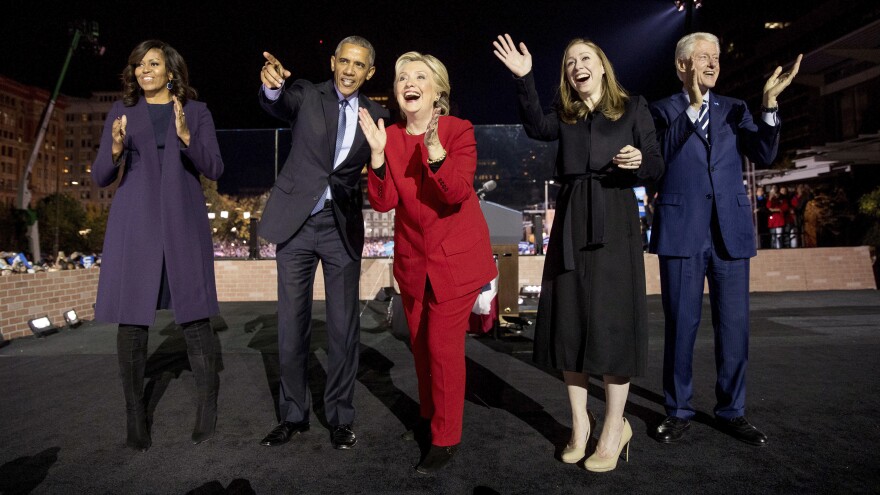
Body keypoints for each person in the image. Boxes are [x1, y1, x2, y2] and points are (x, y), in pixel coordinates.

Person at [493, 34, 664, 472]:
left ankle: (613, 427)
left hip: (615, 220)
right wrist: (524, 78)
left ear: (603, 66)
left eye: (585, 58)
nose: (577, 66)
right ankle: (579, 427)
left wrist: (635, 161)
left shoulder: (633, 107)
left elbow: (656, 163)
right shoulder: (565, 117)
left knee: (611, 325)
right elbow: (535, 125)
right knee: (568, 324)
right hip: (571, 220)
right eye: (569, 63)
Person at [649, 32, 801, 446]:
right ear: (683, 65)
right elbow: (655, 161)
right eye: (703, 57)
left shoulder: (737, 108)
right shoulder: (661, 110)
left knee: (734, 327)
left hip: (729, 233)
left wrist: (769, 104)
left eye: (716, 57)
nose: (713, 64)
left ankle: (732, 410)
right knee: (681, 325)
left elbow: (765, 154)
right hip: (682, 232)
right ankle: (678, 410)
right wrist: (694, 107)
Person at [357, 51, 496, 474]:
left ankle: (445, 437)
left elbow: (455, 193)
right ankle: (429, 418)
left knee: (441, 347)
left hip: (456, 262)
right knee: (419, 347)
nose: (408, 83)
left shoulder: (458, 130)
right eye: (402, 78)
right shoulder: (392, 137)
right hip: (415, 263)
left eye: (419, 76)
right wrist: (378, 157)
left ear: (438, 90)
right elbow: (383, 202)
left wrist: (435, 154)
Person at [256, 36, 390, 450]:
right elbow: (276, 105)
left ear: (370, 72)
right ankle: (292, 415)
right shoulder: (305, 94)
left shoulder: (377, 115)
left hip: (341, 228)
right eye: (344, 61)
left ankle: (339, 418)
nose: (349, 70)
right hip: (295, 225)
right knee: (291, 327)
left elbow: (387, 173)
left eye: (359, 65)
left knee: (343, 329)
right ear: (333, 62)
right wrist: (272, 86)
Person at [92, 40, 224, 451]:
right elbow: (99, 176)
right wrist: (115, 149)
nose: (143, 70)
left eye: (153, 63)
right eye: (138, 65)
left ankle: (207, 407)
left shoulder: (197, 113)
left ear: (171, 72)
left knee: (195, 316)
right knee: (131, 320)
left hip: (184, 221)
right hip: (136, 223)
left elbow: (214, 167)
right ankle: (135, 414)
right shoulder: (122, 112)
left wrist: (186, 136)